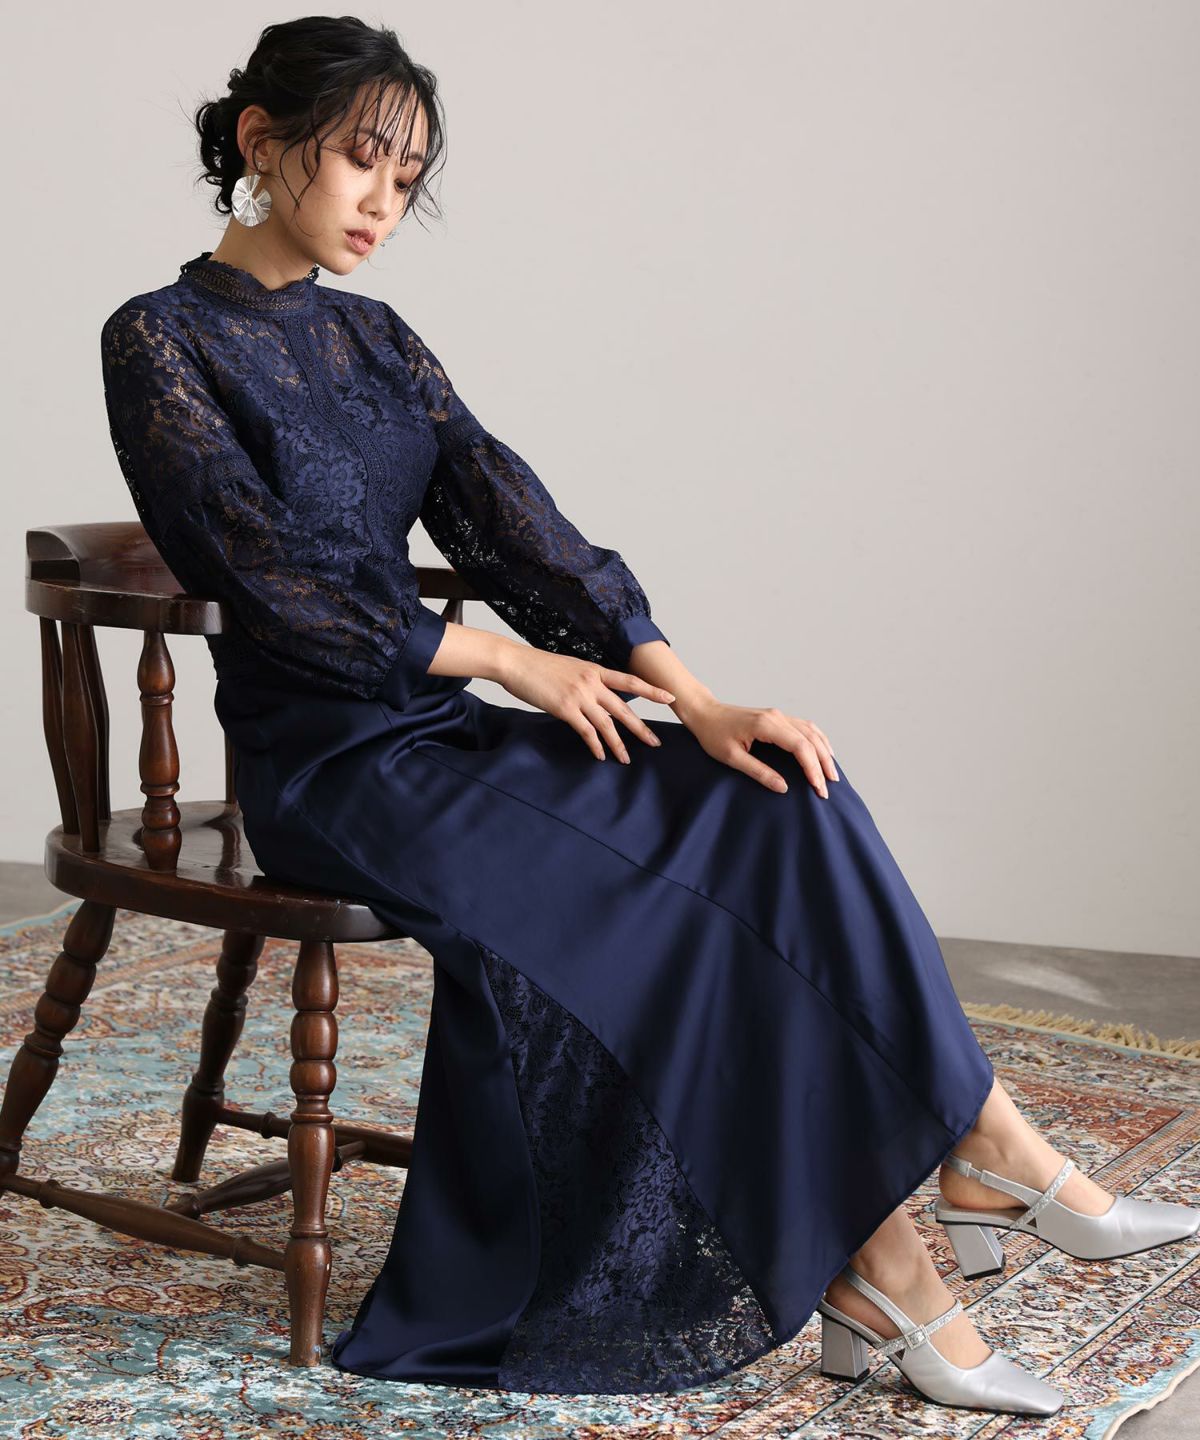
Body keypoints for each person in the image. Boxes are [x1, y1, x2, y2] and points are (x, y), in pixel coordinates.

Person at [98, 15, 1198, 1413]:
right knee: (673, 908)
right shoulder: (160, 337)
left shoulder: (375, 337)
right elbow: (268, 580)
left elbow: (513, 519)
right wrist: (508, 663)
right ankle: (894, 1266)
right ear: (263, 141)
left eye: (408, 178)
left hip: (441, 735)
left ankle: (983, 1147)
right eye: (361, 161)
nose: (384, 203)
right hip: (332, 766)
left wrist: (699, 699)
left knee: (780, 795)